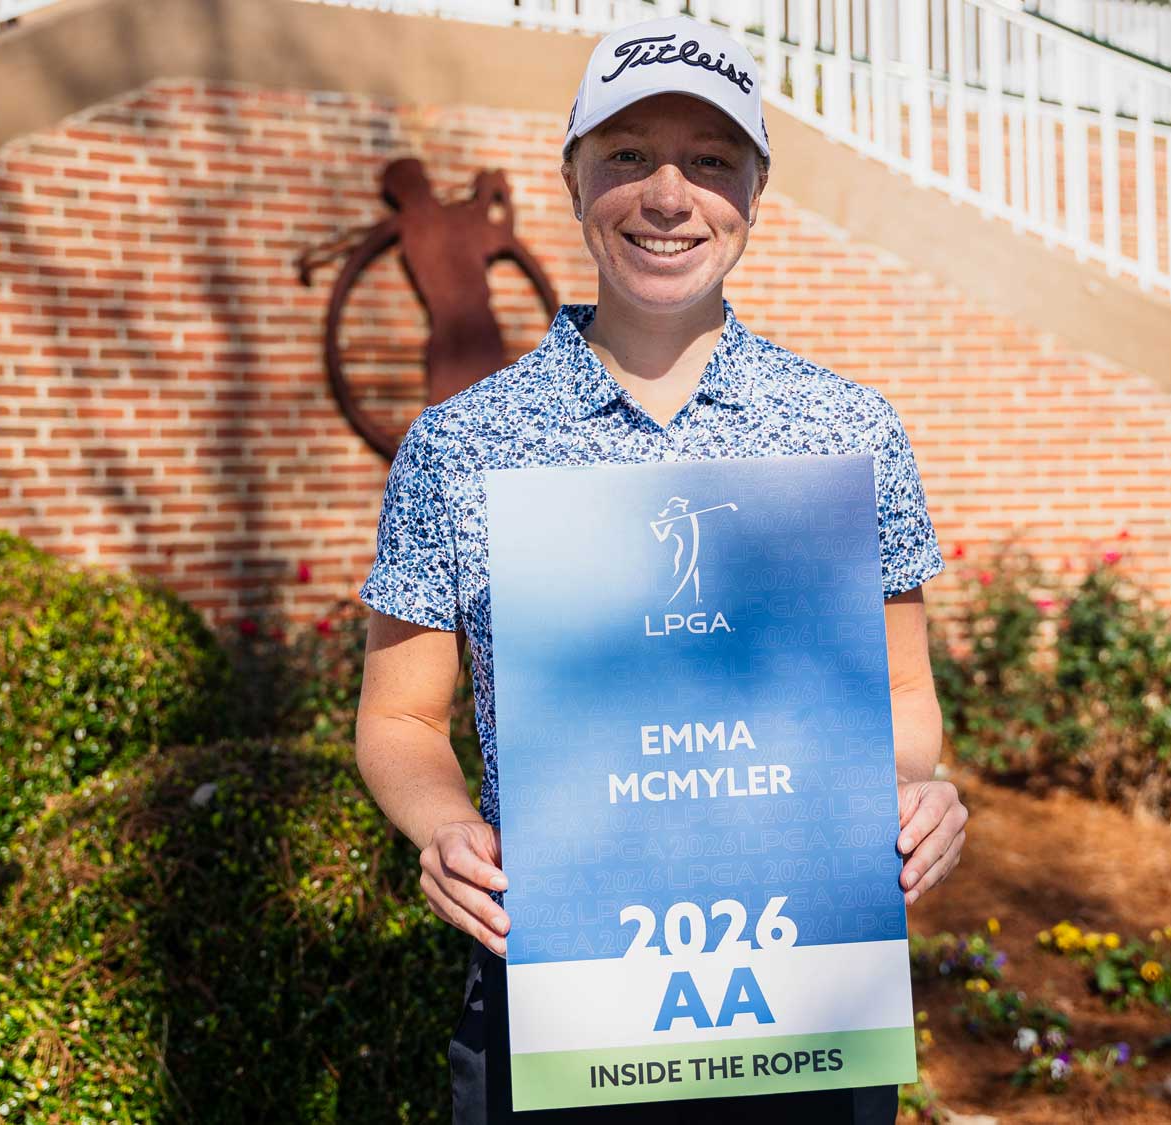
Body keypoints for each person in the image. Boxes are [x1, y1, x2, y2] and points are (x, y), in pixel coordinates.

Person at [352, 14, 970, 1123]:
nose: (669, 197)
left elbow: (902, 699)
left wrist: (914, 794)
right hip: (560, 1003)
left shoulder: (848, 431)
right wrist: (442, 828)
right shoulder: (459, 444)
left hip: (803, 1011)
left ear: (755, 188)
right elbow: (400, 721)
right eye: (629, 155)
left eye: (710, 160)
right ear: (574, 174)